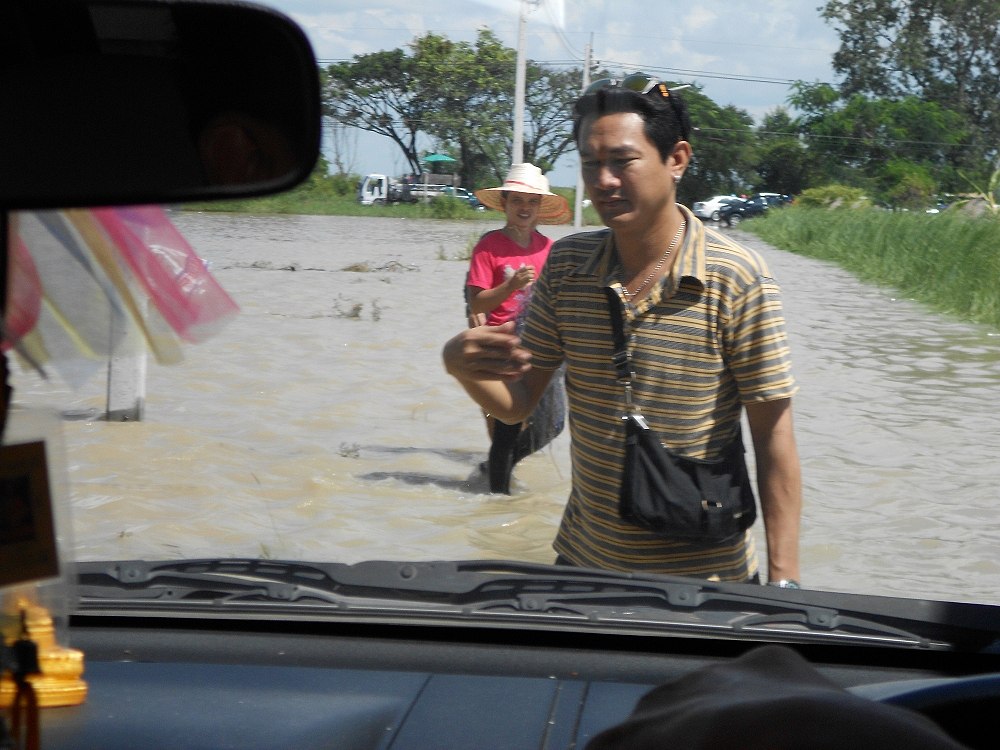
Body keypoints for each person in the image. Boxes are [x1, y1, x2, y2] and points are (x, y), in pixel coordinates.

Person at [442, 75, 802, 585]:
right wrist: (459, 365)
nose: (604, 180)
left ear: (676, 159)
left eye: (622, 161)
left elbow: (774, 438)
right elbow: (520, 403)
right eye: (590, 164)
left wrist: (784, 584)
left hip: (706, 582)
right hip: (583, 567)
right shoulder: (567, 266)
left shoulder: (735, 277)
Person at [465, 163, 570, 494]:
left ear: (540, 208)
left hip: (541, 350)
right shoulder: (489, 246)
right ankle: (498, 500)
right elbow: (478, 304)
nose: (525, 208)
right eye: (517, 201)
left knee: (552, 425)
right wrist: (510, 287)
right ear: (505, 204)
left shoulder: (550, 249)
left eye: (532, 202)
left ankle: (500, 467)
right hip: (502, 348)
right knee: (507, 425)